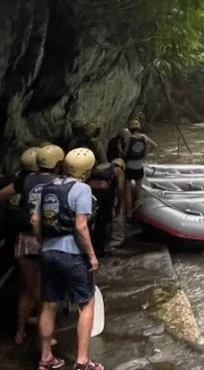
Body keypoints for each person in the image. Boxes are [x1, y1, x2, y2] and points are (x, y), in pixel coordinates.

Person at [34, 148, 102, 370]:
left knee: (49, 304)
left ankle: (46, 358)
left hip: (47, 251)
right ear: (86, 171)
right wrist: (92, 256)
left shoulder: (47, 187)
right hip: (72, 253)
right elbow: (81, 225)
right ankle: (82, 361)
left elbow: (35, 219)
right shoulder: (81, 188)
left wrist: (41, 242)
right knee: (86, 303)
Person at [12, 145, 65, 345]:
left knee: (27, 289)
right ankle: (47, 338)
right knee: (46, 290)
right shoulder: (59, 183)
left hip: (25, 240)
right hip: (46, 240)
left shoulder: (25, 180)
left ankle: (20, 333)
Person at [87, 158, 125, 256]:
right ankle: (105, 246)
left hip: (90, 191)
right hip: (105, 193)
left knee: (91, 219)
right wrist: (118, 205)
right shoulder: (118, 171)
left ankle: (91, 243)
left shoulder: (95, 167)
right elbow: (121, 190)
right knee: (107, 220)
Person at [123, 119, 157, 216]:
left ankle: (129, 212)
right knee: (138, 188)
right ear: (138, 127)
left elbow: (125, 152)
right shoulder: (144, 137)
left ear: (130, 128)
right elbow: (155, 145)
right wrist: (145, 154)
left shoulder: (128, 138)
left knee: (128, 189)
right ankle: (139, 209)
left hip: (129, 166)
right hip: (139, 166)